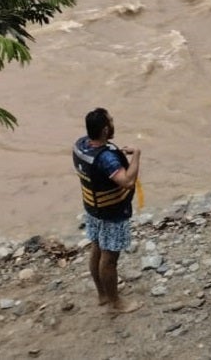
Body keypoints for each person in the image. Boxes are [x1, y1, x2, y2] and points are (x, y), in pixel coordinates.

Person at [72, 107, 142, 313]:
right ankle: (116, 303)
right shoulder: (106, 159)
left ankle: (102, 294)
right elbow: (128, 182)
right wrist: (136, 155)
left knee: (97, 248)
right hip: (112, 212)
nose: (113, 124)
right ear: (104, 130)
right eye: (111, 122)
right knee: (110, 258)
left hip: (93, 207)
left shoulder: (81, 146)